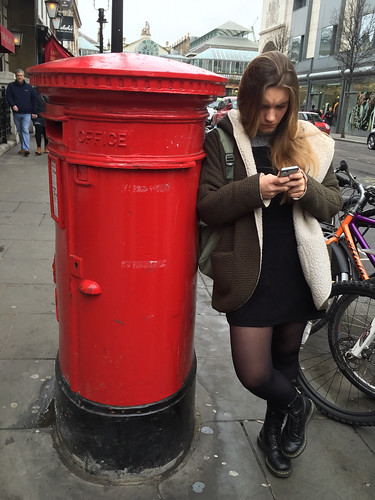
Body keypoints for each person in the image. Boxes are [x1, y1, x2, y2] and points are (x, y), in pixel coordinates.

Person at [197, 51, 342, 478]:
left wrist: (306, 188)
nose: (273, 116)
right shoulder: (223, 138)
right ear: (247, 100)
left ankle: (270, 435)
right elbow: (206, 207)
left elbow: (331, 202)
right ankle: (298, 406)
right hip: (247, 272)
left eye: (281, 106)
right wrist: (254, 188)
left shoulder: (311, 140)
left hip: (296, 269)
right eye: (264, 106)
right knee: (254, 371)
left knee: (285, 362)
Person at [6, 69, 37, 156]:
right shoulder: (11, 86)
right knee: (19, 131)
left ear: (23, 76)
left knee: (25, 130)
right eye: (18, 75)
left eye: (21, 75)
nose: (19, 77)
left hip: (27, 113)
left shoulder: (29, 87)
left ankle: (26, 148)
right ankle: (23, 147)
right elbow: (8, 97)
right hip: (16, 113)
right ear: (16, 76)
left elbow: (33, 100)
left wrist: (34, 112)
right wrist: (13, 105)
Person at [33, 89, 49, 155]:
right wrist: (33, 113)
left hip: (46, 116)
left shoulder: (47, 93)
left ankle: (46, 147)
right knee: (38, 131)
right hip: (37, 115)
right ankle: (38, 148)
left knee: (46, 132)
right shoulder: (34, 92)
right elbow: (33, 103)